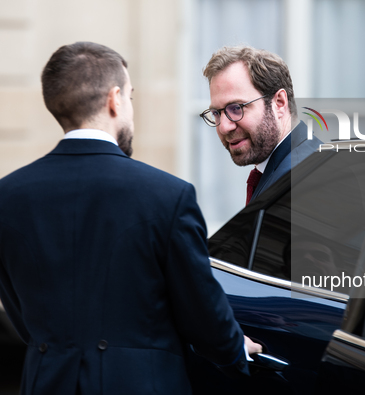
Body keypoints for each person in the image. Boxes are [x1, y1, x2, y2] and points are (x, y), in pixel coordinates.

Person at [0, 42, 261, 395]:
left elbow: (19, 312)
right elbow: (200, 308)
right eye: (132, 99)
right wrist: (234, 351)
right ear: (115, 99)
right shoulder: (167, 195)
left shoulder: (8, 196)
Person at [201, 45, 322, 205]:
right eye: (216, 113)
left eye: (237, 108)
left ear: (279, 103)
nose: (224, 127)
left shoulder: (304, 180)